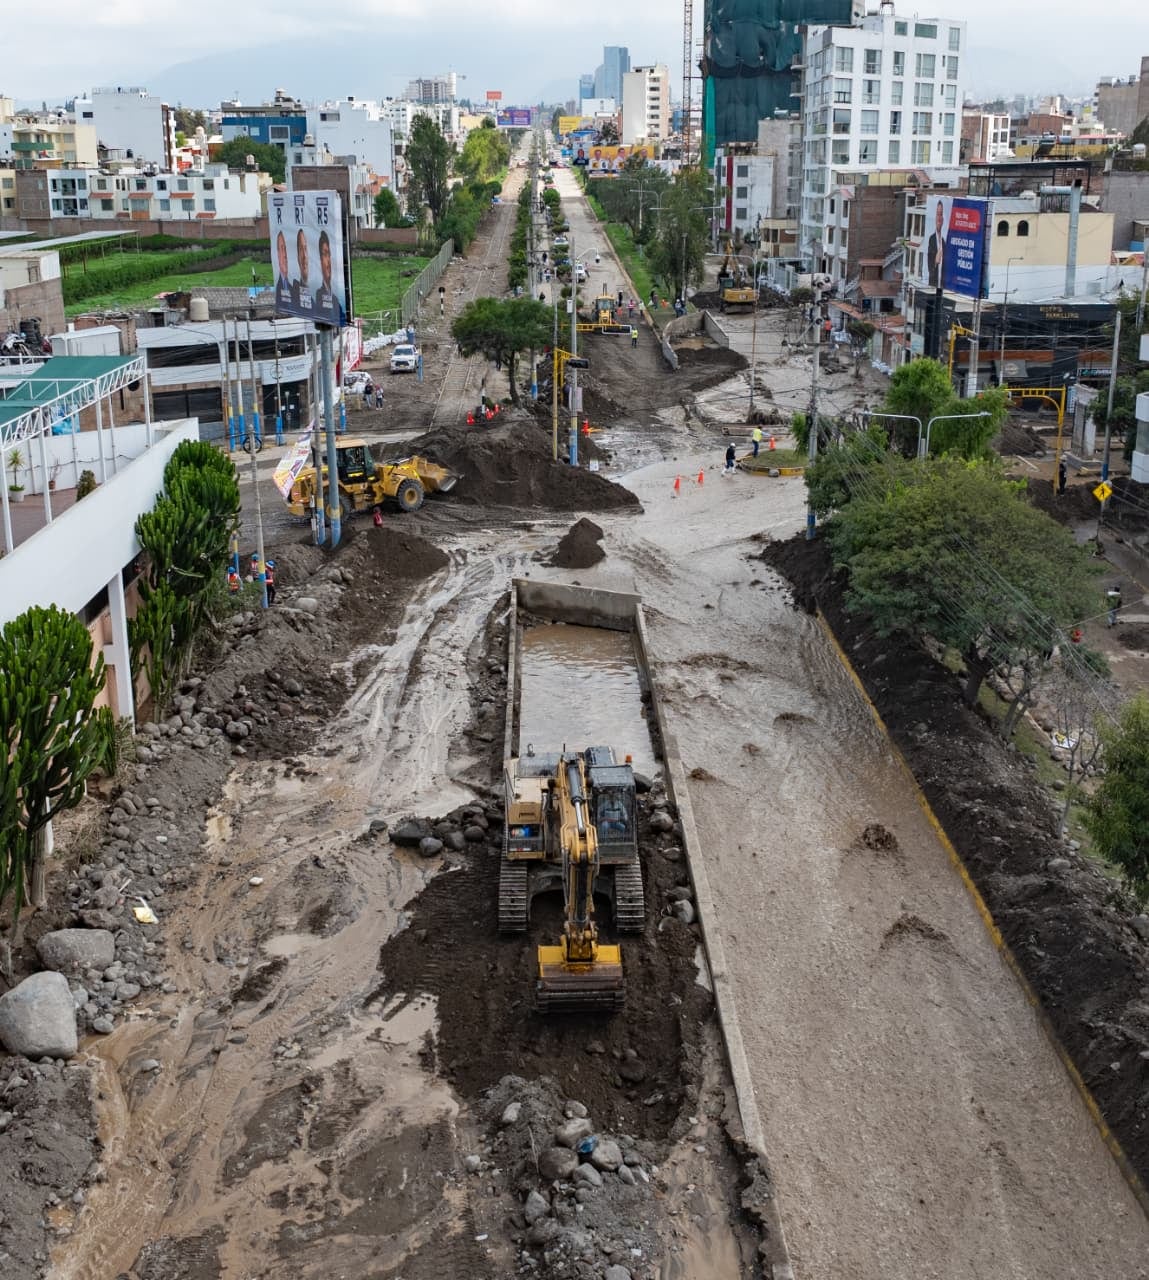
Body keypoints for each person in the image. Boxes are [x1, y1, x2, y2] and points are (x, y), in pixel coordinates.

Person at [313, 229, 340, 325]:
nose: (328, 261)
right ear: (320, 260)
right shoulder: (318, 295)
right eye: (325, 254)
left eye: (329, 254)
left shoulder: (336, 299)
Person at [290, 229, 314, 315]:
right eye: (301, 250)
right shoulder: (293, 291)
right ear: (297, 257)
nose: (304, 256)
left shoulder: (319, 291)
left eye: (306, 249)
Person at [926, 199, 947, 289]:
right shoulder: (931, 239)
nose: (939, 218)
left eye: (941, 214)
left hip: (943, 285)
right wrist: (935, 261)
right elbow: (929, 264)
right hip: (933, 285)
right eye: (937, 214)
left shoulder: (943, 241)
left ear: (943, 218)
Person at [274, 231, 292, 310]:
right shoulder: (278, 289)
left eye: (285, 249)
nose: (285, 255)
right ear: (278, 254)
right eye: (282, 249)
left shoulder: (294, 286)